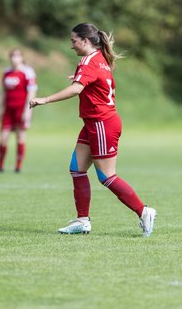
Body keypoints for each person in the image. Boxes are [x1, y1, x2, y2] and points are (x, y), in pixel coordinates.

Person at [29, 23, 156, 237]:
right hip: (92, 123)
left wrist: (45, 99)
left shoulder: (89, 61)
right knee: (76, 168)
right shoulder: (97, 60)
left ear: (85, 41)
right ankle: (82, 221)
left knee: (106, 176)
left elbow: (77, 89)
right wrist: (79, 78)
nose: (72, 45)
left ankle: (144, 211)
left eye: (74, 41)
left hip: (102, 123)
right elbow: (93, 83)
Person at [0, 48, 37, 173]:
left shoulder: (28, 72)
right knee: (3, 137)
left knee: (20, 137)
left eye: (17, 56)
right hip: (8, 109)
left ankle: (18, 166)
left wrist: (27, 110)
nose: (14, 58)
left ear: (21, 58)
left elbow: (31, 92)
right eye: (12, 56)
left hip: (21, 109)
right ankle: (0, 165)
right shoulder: (7, 73)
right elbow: (4, 92)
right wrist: (0, 108)